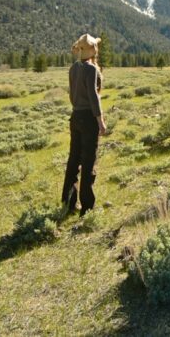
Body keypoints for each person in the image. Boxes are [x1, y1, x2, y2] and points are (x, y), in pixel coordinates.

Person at [63, 33, 108, 217]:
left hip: (75, 117)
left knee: (74, 160)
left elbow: (72, 95)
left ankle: (69, 202)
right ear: (93, 50)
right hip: (88, 119)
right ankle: (87, 207)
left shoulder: (73, 68)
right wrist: (101, 121)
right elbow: (94, 97)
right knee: (88, 162)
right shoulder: (91, 69)